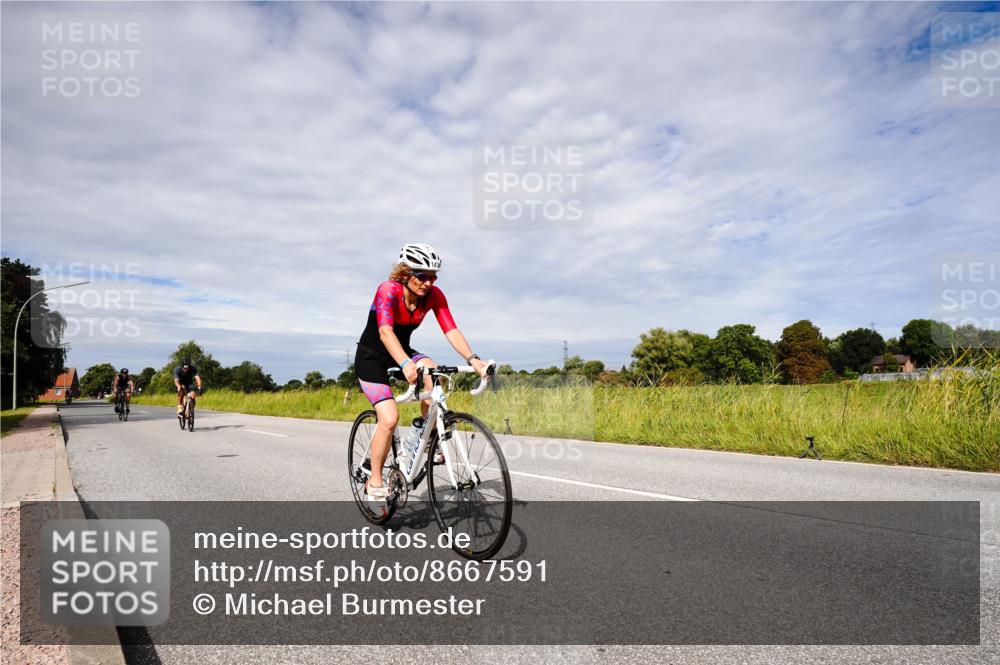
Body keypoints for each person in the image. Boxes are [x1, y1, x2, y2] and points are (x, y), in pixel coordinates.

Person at [355, 243, 489, 516]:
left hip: (403, 352)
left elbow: (451, 330)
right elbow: (384, 332)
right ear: (404, 272)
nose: (428, 282)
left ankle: (422, 437)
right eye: (422, 275)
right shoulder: (388, 290)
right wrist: (404, 363)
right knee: (389, 419)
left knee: (434, 375)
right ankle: (375, 480)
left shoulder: (434, 296)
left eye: (433, 276)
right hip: (372, 357)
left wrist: (473, 359)